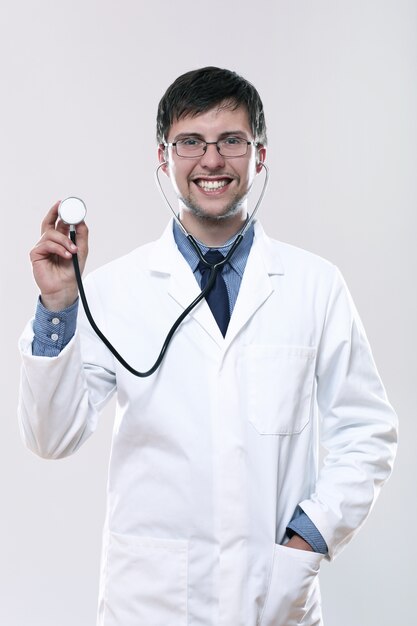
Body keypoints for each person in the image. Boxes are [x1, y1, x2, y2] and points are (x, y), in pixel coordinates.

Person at [18, 67, 398, 626]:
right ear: (164, 158)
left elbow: (367, 431)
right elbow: (52, 438)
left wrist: (308, 539)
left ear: (259, 155)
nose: (212, 160)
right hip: (149, 604)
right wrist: (58, 307)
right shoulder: (112, 291)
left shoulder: (316, 285)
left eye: (232, 141)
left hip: (273, 598)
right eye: (190, 142)